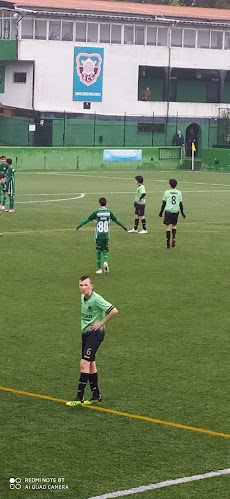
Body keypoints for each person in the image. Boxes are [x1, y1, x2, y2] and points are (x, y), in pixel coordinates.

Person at [66, 275, 118, 406]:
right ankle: (96, 395)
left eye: (85, 285)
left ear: (92, 286)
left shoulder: (97, 299)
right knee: (91, 363)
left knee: (84, 363)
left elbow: (114, 311)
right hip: (86, 334)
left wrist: (100, 323)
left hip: (95, 334)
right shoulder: (83, 297)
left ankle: (79, 396)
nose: (83, 288)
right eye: (81, 285)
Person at [76, 197, 127, 274]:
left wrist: (79, 225)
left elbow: (87, 220)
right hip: (106, 235)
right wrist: (124, 227)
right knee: (105, 250)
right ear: (106, 203)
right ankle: (105, 262)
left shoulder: (97, 213)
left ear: (99, 203)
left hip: (98, 235)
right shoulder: (109, 213)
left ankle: (99, 269)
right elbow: (116, 221)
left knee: (98, 251)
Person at [159, 179, 186, 248]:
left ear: (170, 184)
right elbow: (180, 204)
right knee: (174, 225)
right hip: (175, 211)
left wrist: (161, 212)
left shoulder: (167, 192)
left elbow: (164, 203)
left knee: (168, 226)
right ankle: (173, 237)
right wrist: (182, 213)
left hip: (168, 211)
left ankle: (168, 243)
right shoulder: (179, 193)